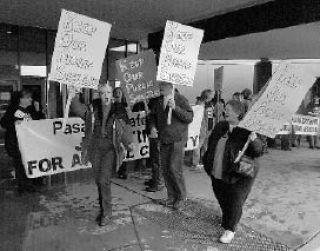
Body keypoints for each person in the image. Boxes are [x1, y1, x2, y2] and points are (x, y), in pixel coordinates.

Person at [71, 84, 133, 226]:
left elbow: (125, 128)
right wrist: (73, 96)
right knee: (99, 180)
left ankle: (107, 213)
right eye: (103, 93)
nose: (106, 95)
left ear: (112, 95)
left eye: (108, 92)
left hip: (110, 149)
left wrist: (129, 142)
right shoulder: (93, 108)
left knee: (103, 179)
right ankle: (103, 207)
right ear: (99, 94)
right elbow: (78, 109)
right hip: (95, 149)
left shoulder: (118, 109)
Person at [203, 100, 263, 244]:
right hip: (218, 171)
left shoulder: (249, 129)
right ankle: (227, 218)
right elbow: (211, 144)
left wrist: (254, 141)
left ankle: (230, 229)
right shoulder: (220, 126)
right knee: (221, 196)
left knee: (235, 200)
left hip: (240, 174)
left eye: (228, 109)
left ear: (238, 113)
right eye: (225, 109)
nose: (225, 111)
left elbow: (259, 151)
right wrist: (207, 161)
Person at [148, 82, 193, 210]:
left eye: (162, 85)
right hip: (164, 139)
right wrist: (152, 127)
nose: (159, 87)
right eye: (159, 84)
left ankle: (181, 197)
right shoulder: (157, 100)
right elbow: (152, 116)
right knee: (166, 169)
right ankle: (172, 196)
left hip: (177, 139)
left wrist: (176, 108)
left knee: (174, 168)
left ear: (171, 86)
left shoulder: (180, 99)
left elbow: (189, 117)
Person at [0, 89, 44, 194]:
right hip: (16, 143)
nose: (31, 99)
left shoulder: (31, 110)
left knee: (27, 164)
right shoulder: (13, 109)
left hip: (28, 143)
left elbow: (40, 123)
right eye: (28, 98)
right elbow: (3, 123)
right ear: (21, 99)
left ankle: (30, 184)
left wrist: (38, 111)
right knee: (20, 165)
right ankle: (23, 186)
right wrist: (15, 122)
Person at [145, 97, 163, 192]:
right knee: (154, 158)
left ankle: (158, 183)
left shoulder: (157, 101)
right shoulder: (155, 100)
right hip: (154, 132)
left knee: (157, 159)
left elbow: (154, 116)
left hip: (156, 132)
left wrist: (152, 127)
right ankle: (155, 179)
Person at [192, 89, 213, 170]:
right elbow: (208, 118)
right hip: (203, 128)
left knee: (203, 145)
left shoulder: (199, 103)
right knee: (200, 145)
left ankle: (201, 162)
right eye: (211, 95)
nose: (213, 97)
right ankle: (196, 163)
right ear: (207, 96)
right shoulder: (205, 105)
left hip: (201, 127)